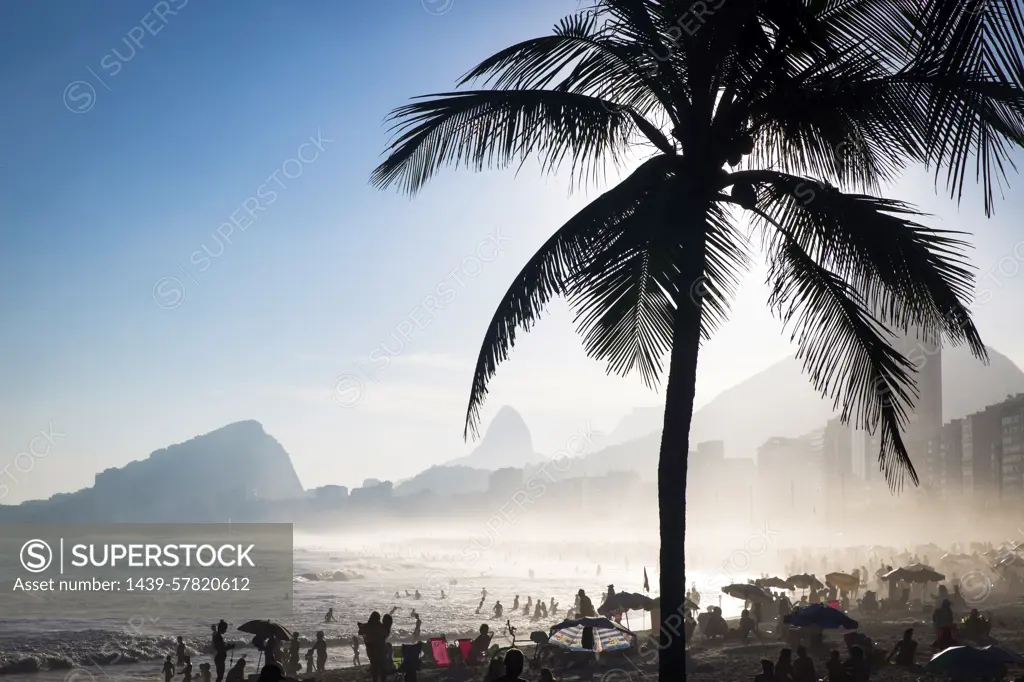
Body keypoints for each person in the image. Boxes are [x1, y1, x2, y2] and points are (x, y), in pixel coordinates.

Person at [360, 612, 393, 682]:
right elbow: (385, 635)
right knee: (382, 669)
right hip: (380, 649)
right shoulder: (381, 627)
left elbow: (360, 632)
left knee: (374, 667)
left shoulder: (367, 626)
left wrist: (362, 626)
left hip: (370, 650)